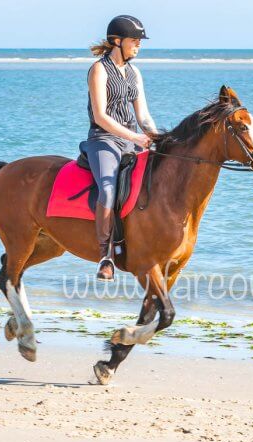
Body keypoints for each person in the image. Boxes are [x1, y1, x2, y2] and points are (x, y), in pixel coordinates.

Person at [81, 15, 157, 282]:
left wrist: (156, 136)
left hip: (130, 141)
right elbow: (101, 116)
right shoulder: (99, 70)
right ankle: (106, 256)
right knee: (108, 187)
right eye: (134, 40)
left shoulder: (135, 72)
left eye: (139, 41)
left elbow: (144, 116)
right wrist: (135, 138)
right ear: (117, 41)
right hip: (103, 140)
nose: (138, 45)